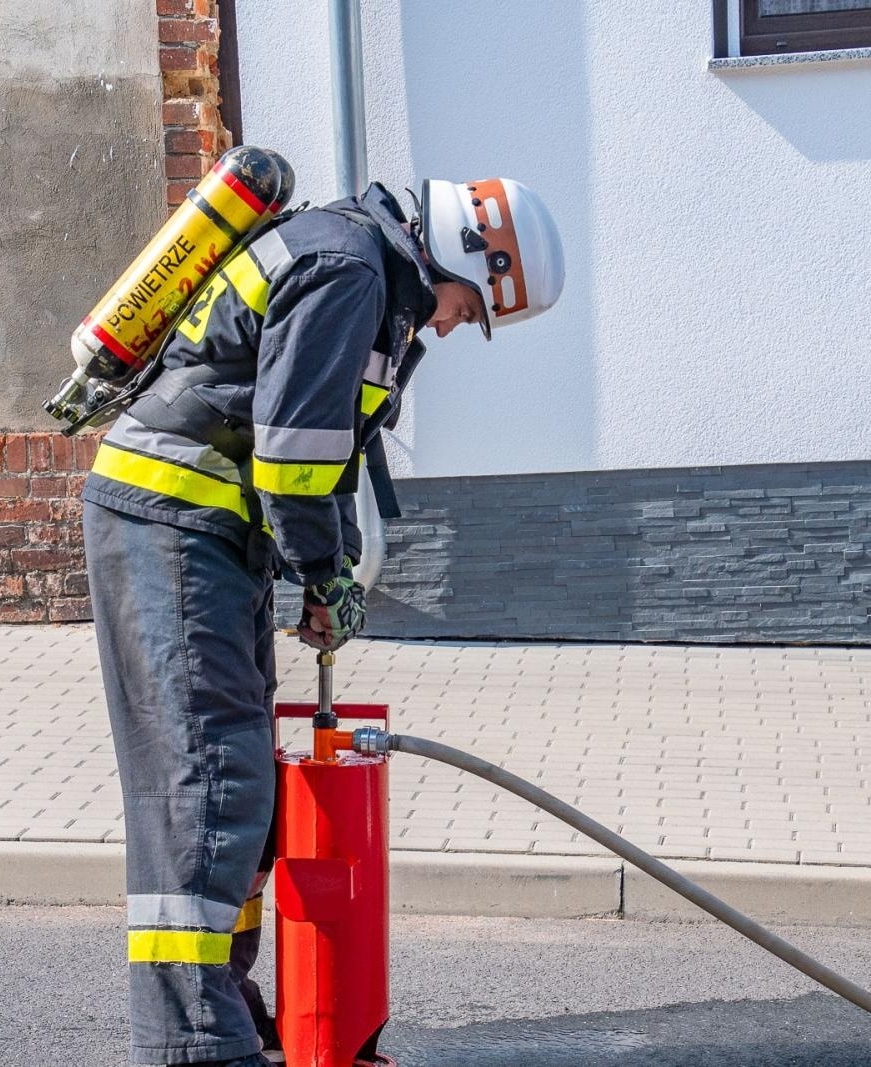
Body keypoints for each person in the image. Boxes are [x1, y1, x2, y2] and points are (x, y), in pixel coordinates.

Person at [82, 174, 564, 1067]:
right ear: (464, 253)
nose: (457, 325)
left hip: (212, 533)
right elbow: (294, 453)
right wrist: (318, 568)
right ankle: (192, 1040)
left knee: (244, 786)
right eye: (471, 306)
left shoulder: (371, 286)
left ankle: (224, 1000)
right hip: (170, 523)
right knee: (208, 781)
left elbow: (332, 447)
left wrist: (329, 568)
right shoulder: (347, 272)